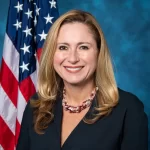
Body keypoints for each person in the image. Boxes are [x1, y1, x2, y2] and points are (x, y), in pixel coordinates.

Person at [16, 10, 148, 150]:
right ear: (52, 54)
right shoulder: (37, 106)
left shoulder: (128, 109)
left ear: (98, 53)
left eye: (83, 47)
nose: (72, 58)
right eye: (63, 47)